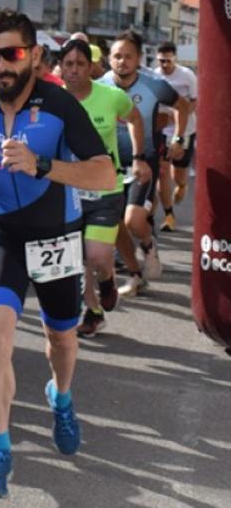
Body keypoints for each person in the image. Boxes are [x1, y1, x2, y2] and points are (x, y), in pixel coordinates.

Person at [0, 10, 116, 498]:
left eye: (12, 54)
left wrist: (43, 166)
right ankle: (0, 450)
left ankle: (60, 398)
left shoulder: (59, 105)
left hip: (56, 233)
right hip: (3, 234)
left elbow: (104, 174)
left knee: (60, 339)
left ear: (35, 56)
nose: (1, 65)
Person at [58, 38, 148, 337]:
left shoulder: (111, 96)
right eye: (68, 64)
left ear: (91, 67)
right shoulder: (52, 98)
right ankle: (93, 311)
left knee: (97, 256)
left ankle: (107, 278)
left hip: (106, 189)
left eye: (80, 64)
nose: (73, 70)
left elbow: (134, 119)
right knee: (76, 257)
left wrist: (137, 157)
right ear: (60, 66)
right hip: (67, 190)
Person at [101, 31, 191, 298]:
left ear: (139, 59)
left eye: (128, 56)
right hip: (110, 164)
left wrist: (178, 139)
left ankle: (149, 247)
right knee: (116, 224)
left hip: (145, 161)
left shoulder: (154, 84)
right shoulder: (101, 85)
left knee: (134, 221)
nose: (122, 62)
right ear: (109, 58)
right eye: (117, 56)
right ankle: (137, 276)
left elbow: (182, 107)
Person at [152, 41, 196, 231]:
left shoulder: (187, 75)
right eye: (162, 61)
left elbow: (195, 102)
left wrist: (180, 114)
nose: (165, 65)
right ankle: (169, 215)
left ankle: (183, 184)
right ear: (157, 58)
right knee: (162, 171)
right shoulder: (154, 76)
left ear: (174, 58)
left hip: (184, 130)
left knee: (178, 173)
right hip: (162, 130)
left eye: (168, 61)